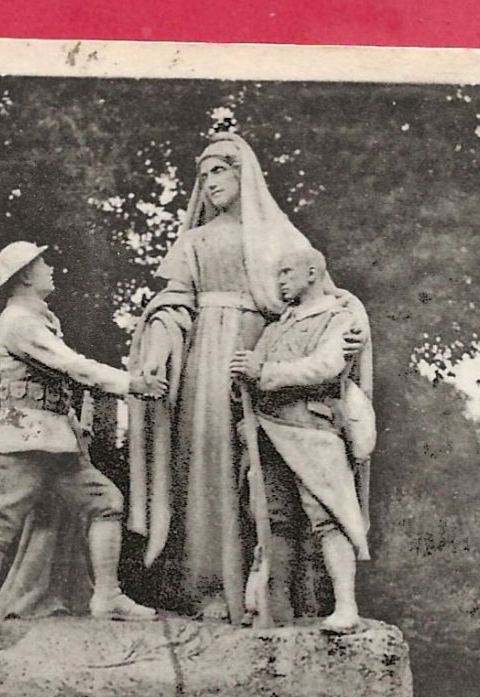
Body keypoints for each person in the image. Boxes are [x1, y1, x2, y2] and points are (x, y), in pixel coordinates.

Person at [125, 132, 368, 624]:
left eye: (219, 171)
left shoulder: (281, 237)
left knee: (270, 472)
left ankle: (278, 594)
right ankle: (207, 587)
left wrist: (352, 329)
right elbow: (174, 304)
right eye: (204, 175)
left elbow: (327, 296)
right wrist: (156, 346)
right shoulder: (194, 240)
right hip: (205, 363)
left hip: (268, 350)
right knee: (208, 464)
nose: (210, 183)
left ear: (243, 174)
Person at [0, 240, 166, 651]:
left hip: (55, 442)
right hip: (19, 443)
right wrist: (132, 385)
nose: (50, 267)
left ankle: (106, 594)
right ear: (24, 276)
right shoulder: (19, 321)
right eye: (42, 263)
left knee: (106, 501)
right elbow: (70, 364)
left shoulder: (39, 318)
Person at [229, 247, 370, 632]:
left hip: (312, 429)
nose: (281, 282)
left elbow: (326, 367)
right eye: (278, 276)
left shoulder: (341, 320)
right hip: (267, 431)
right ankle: (273, 608)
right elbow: (251, 378)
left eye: (287, 272)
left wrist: (263, 371)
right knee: (271, 518)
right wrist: (240, 377)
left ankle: (345, 606)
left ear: (312, 273)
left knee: (329, 516)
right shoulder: (275, 328)